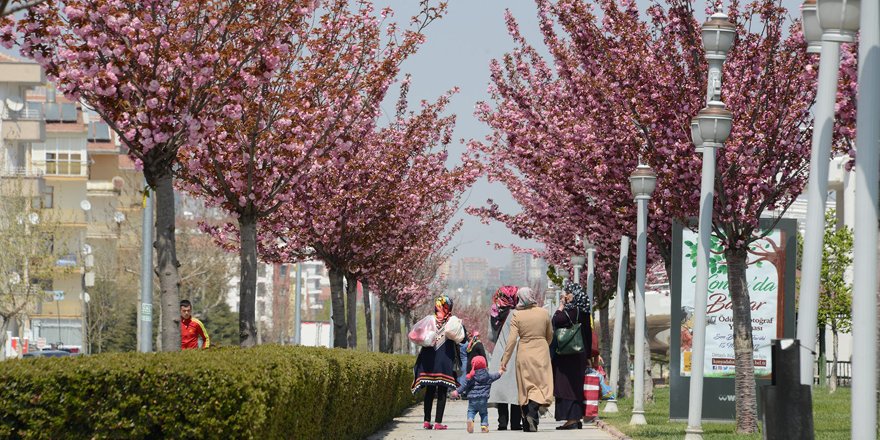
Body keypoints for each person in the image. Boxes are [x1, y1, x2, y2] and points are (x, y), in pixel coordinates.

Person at [499, 287, 554, 432]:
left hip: (524, 352)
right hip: (541, 351)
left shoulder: (517, 315)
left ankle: (528, 418)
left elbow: (511, 340)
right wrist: (543, 345)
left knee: (525, 386)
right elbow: (550, 335)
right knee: (542, 385)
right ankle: (532, 414)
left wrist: (504, 360)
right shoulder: (544, 313)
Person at [411, 295, 460, 430]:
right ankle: (438, 422)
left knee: (430, 391)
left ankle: (427, 421)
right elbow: (462, 339)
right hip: (444, 362)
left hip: (429, 361)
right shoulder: (452, 322)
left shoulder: (429, 320)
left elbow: (418, 334)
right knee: (442, 391)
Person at [551, 282, 592, 429]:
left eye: (567, 293)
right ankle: (575, 419)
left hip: (568, 355)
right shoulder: (584, 311)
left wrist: (561, 304)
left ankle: (572, 419)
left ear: (572, 295)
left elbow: (556, 319)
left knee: (566, 386)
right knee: (575, 386)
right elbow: (588, 334)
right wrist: (588, 355)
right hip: (579, 354)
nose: (565, 295)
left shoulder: (572, 311)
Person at [487, 286, 522, 431]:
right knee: (515, 388)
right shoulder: (517, 313)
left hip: (499, 352)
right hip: (515, 352)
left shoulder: (495, 313)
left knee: (501, 389)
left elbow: (490, 336)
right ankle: (515, 422)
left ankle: (502, 422)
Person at [451, 355, 503, 433]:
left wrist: (457, 392)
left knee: (471, 411)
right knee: (484, 413)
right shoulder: (487, 375)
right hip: (483, 399)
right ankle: (484, 426)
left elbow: (464, 386)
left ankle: (470, 420)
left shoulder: (470, 376)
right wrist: (500, 372)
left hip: (472, 400)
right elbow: (495, 376)